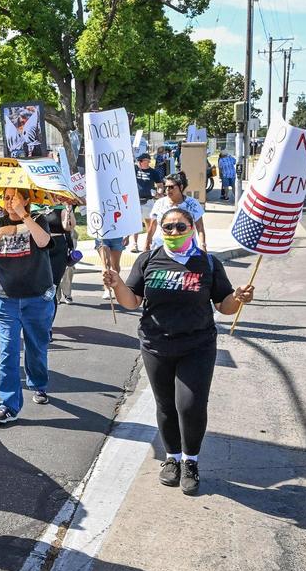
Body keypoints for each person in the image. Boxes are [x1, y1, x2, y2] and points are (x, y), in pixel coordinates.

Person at [103, 207, 255, 495]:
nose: (173, 232)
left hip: (197, 346)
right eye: (168, 227)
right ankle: (171, 458)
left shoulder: (208, 263)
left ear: (191, 228)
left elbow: (224, 306)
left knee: (190, 406)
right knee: (166, 405)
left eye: (180, 227)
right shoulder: (147, 260)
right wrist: (118, 283)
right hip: (155, 344)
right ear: (160, 230)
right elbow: (132, 301)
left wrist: (238, 297)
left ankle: (191, 461)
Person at [0, 188, 55, 424]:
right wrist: (0, 232)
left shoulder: (39, 220)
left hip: (36, 299)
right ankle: (8, 404)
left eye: (14, 197)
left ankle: (38, 384)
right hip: (5, 300)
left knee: (36, 347)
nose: (8, 202)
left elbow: (44, 242)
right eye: (5, 197)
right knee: (8, 351)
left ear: (27, 199)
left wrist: (25, 216)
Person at [145, 171, 205, 252]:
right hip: (161, 248)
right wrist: (147, 243)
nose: (167, 190)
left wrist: (203, 245)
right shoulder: (159, 203)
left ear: (181, 187)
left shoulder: (193, 204)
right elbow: (152, 226)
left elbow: (200, 227)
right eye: (166, 187)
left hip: (186, 249)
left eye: (171, 187)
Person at [42, 204, 76, 314]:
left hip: (58, 247)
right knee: (39, 286)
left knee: (52, 286)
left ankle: (48, 321)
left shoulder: (61, 207)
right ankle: (39, 320)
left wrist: (68, 210)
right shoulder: (33, 206)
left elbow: (68, 227)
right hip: (39, 248)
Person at [129, 153, 164, 253]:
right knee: (135, 223)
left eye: (148, 161)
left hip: (148, 200)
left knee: (150, 222)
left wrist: (159, 192)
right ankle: (134, 244)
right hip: (135, 200)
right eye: (139, 161)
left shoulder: (153, 172)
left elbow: (160, 185)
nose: (148, 163)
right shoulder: (134, 170)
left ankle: (149, 242)